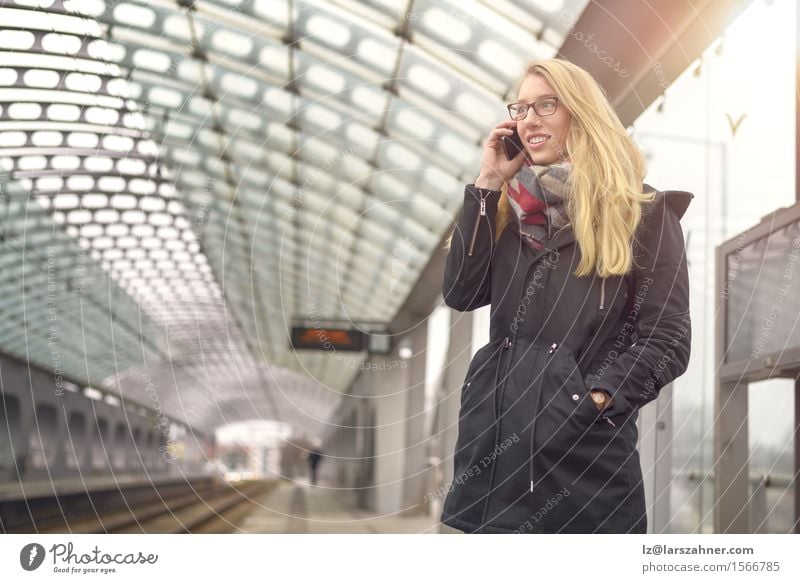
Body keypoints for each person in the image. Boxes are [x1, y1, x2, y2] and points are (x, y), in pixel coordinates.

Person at [440, 59, 692, 534]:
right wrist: (488, 183)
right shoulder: (509, 213)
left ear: (581, 113)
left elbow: (668, 339)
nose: (528, 119)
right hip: (495, 459)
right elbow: (461, 292)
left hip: (584, 467)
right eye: (521, 107)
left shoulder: (644, 214)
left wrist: (593, 399)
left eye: (545, 105)